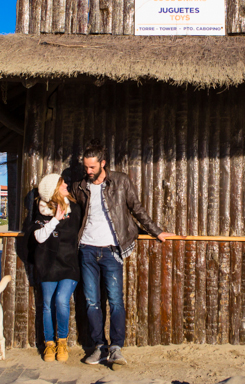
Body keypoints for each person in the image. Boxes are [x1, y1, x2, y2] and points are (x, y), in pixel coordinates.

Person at [71, 140, 175, 366]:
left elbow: (137, 209)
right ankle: (99, 347)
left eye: (92, 167)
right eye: (85, 167)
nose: (87, 171)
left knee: (116, 301)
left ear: (102, 163)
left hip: (111, 251)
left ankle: (117, 348)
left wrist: (157, 232)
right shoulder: (80, 186)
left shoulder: (120, 181)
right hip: (87, 250)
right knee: (91, 302)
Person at [30, 174, 82, 362]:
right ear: (54, 190)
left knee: (61, 300)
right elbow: (39, 237)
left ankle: (62, 341)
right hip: (48, 264)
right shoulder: (43, 212)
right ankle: (49, 344)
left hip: (69, 264)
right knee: (47, 304)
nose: (67, 185)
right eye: (62, 184)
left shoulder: (75, 208)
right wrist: (55, 220)